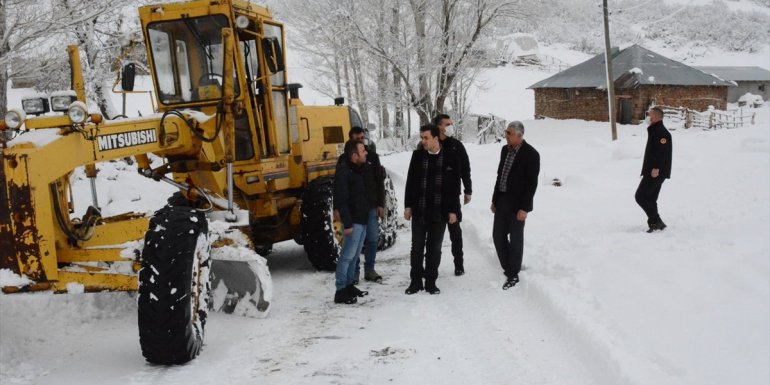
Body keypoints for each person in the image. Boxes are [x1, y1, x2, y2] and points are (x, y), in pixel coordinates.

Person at [403, 124, 462, 295]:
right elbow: (410, 182)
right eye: (422, 138)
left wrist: (453, 211)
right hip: (420, 210)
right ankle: (415, 282)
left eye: (426, 138)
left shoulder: (451, 157)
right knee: (417, 248)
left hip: (440, 212)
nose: (423, 141)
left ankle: (430, 282)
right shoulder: (418, 156)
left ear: (436, 138)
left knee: (434, 248)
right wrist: (408, 206)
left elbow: (454, 187)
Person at [491, 121, 540, 290]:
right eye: (506, 132)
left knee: (516, 239)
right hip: (503, 200)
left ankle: (513, 274)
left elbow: (531, 184)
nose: (506, 136)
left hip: (518, 205)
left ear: (519, 135)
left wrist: (524, 208)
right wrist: (495, 199)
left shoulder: (531, 154)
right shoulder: (505, 150)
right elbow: (500, 176)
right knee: (498, 236)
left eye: (509, 133)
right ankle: (509, 267)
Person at [344, 126, 386, 283]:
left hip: (371, 205)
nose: (361, 141)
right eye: (357, 139)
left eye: (362, 138)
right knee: (355, 242)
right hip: (354, 208)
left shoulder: (372, 157)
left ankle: (370, 269)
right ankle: (354, 272)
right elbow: (340, 186)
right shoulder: (344, 160)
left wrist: (381, 204)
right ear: (351, 140)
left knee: (373, 238)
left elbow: (379, 182)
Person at [332, 140, 371, 304]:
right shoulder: (344, 172)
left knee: (354, 256)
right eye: (363, 151)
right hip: (352, 223)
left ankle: (349, 285)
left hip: (362, 220)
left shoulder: (359, 170)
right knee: (347, 256)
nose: (366, 153)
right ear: (354, 155)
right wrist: (347, 225)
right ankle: (340, 290)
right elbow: (341, 201)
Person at [433, 114, 472, 276]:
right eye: (447, 124)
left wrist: (468, 190)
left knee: (455, 233)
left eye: (451, 123)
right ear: (439, 126)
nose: (451, 126)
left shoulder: (456, 145)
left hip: (452, 197)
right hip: (434, 198)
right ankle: (431, 267)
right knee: (435, 235)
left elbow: (465, 169)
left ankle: (459, 264)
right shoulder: (431, 145)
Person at [635, 107, 672, 233]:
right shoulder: (655, 130)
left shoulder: (661, 132)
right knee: (650, 198)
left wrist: (656, 168)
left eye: (649, 115)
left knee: (640, 196)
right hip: (653, 171)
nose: (647, 117)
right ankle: (656, 223)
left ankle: (656, 221)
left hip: (656, 172)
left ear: (655, 117)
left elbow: (662, 153)